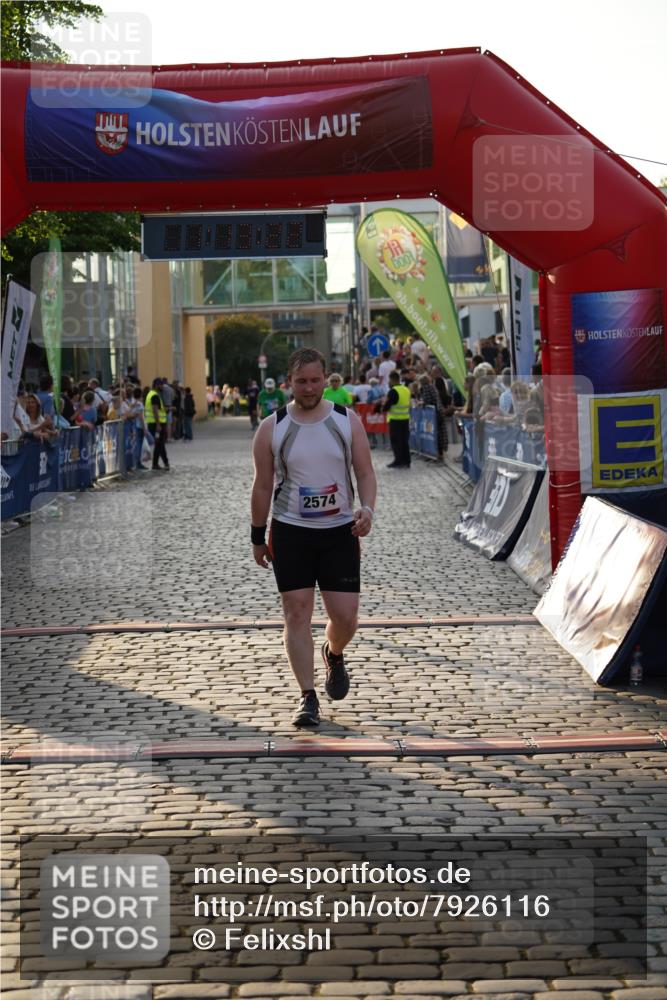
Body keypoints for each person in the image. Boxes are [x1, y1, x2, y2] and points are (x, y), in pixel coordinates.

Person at [250, 347, 377, 727]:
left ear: (326, 379)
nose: (308, 388)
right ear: (289, 382)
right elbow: (261, 486)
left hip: (340, 530)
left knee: (346, 616)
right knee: (297, 613)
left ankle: (334, 652)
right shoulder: (272, 428)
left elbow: (366, 473)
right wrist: (258, 536)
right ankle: (307, 696)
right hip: (290, 532)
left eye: (315, 380)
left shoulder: (345, 421)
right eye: (301, 381)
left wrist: (367, 510)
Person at [379, 370, 411, 468]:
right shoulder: (406, 389)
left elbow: (388, 405)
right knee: (405, 441)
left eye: (389, 380)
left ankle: (398, 461)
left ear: (393, 380)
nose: (389, 382)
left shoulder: (393, 391)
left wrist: (382, 408)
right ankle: (407, 461)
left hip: (395, 420)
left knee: (396, 441)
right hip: (405, 419)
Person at [145, 378, 169, 470]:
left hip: (154, 423)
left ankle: (164, 463)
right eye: (161, 385)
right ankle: (156, 464)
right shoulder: (154, 396)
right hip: (156, 424)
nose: (162, 387)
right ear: (156, 385)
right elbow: (155, 410)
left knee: (160, 444)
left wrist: (169, 409)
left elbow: (159, 410)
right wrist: (158, 424)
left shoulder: (151, 394)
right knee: (159, 444)